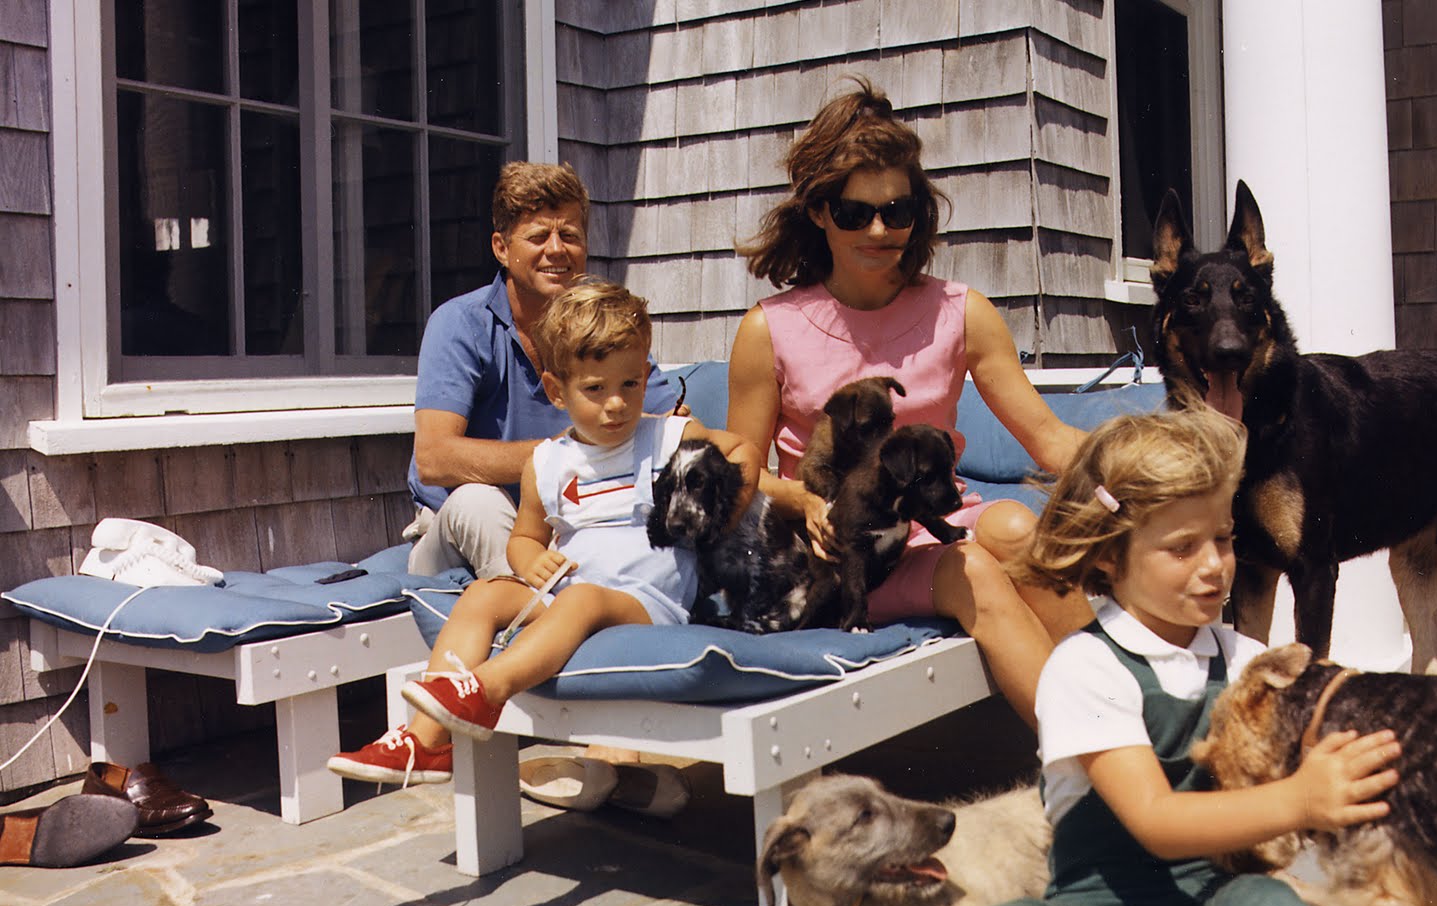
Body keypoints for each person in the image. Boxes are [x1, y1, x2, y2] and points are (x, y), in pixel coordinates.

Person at [961, 409, 1437, 906]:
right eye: (1182, 547)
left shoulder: (1246, 655)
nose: (1216, 565)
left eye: (1222, 538)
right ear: (1110, 558)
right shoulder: (1085, 669)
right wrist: (1300, 801)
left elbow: (1336, 719)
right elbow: (1154, 820)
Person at [727, 79, 1086, 725]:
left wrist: (1157, 473)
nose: (879, 229)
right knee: (973, 566)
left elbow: (1050, 439)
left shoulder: (962, 313)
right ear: (817, 212)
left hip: (938, 529)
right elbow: (742, 473)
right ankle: (1099, 766)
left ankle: (1139, 726)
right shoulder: (768, 329)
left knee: (1013, 527)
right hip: (842, 556)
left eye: (898, 211)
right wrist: (805, 500)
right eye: (854, 212)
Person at [331, 281, 761, 810]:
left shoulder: (666, 437)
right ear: (558, 391)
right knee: (486, 594)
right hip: (574, 590)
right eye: (595, 389)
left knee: (582, 600)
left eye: (630, 383)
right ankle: (425, 741)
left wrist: (715, 518)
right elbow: (526, 537)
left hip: (648, 600)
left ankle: (483, 692)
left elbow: (741, 449)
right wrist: (530, 562)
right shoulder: (547, 463)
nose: (617, 403)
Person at [405, 161, 678, 580]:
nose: (556, 249)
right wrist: (569, 452)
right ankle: (537, 620)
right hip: (456, 531)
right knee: (479, 501)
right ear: (501, 247)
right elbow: (436, 458)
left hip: (570, 522)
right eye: (537, 236)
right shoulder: (461, 323)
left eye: (569, 235)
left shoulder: (602, 328)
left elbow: (668, 425)